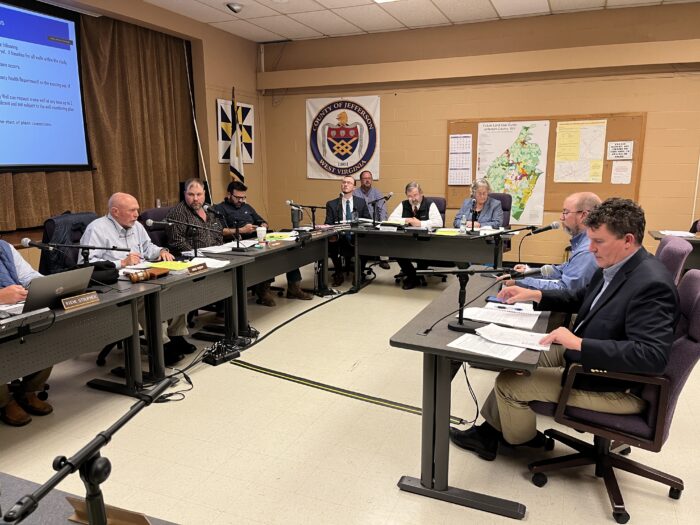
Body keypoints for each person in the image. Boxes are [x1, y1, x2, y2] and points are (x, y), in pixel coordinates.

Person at [449, 198, 679, 461]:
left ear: (628, 240)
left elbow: (651, 356)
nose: (591, 249)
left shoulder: (651, 285)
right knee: (516, 355)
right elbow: (581, 297)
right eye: (590, 240)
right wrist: (534, 294)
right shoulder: (619, 265)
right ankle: (488, 433)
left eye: (599, 242)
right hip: (590, 359)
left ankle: (526, 442)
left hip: (616, 384)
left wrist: (578, 343)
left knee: (508, 383)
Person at [80, 192, 195, 364]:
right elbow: (85, 264)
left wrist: (161, 251)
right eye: (132, 210)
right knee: (146, 297)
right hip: (116, 283)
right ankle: (160, 345)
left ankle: (176, 335)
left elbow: (148, 247)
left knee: (176, 284)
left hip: (142, 274)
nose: (136, 215)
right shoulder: (96, 229)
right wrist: (121, 262)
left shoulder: (136, 226)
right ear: (115, 211)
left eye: (137, 210)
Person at [214, 181, 312, 306]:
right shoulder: (220, 209)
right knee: (267, 257)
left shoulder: (247, 207)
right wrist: (242, 230)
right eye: (237, 197)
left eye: (243, 197)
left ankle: (294, 287)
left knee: (290, 250)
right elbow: (219, 231)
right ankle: (263, 289)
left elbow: (261, 220)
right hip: (238, 244)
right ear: (229, 195)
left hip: (256, 239)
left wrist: (263, 225)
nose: (241, 200)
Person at [501, 192, 602, 291]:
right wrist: (528, 272)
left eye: (566, 212)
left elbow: (566, 289)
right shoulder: (583, 242)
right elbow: (562, 270)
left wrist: (520, 281)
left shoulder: (587, 250)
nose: (561, 218)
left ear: (583, 215)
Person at [0, 240, 53, 426]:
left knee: (48, 328)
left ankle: (28, 391)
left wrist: (42, 286)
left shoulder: (5, 247)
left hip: (14, 310)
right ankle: (5, 402)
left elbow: (29, 275)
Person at [387, 181, 443, 289]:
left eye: (415, 195)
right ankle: (413, 276)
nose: (413, 199)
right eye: (410, 196)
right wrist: (406, 220)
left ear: (421, 193)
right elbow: (391, 219)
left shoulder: (429, 204)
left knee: (422, 251)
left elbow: (439, 223)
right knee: (396, 250)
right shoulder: (404, 204)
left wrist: (420, 223)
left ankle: (413, 278)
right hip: (407, 240)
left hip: (426, 241)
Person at [324, 175, 371, 287]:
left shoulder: (361, 202)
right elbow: (328, 222)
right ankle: (339, 273)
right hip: (339, 236)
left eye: (349, 183)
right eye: (343, 182)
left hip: (355, 235)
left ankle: (358, 273)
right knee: (332, 243)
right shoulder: (332, 204)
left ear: (354, 187)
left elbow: (368, 220)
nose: (345, 184)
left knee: (367, 243)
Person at [166, 178, 223, 256]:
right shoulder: (178, 213)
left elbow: (219, 232)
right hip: (193, 259)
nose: (195, 199)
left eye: (199, 194)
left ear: (204, 193)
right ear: (185, 194)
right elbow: (177, 242)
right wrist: (198, 255)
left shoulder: (209, 209)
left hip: (216, 254)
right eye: (191, 194)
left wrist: (220, 250)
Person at [353, 170, 391, 270]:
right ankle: (357, 258)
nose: (367, 180)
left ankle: (384, 260)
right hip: (361, 222)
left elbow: (382, 209)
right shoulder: (355, 193)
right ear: (361, 180)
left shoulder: (377, 192)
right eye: (365, 178)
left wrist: (382, 223)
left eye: (369, 178)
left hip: (375, 222)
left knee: (383, 234)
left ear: (372, 180)